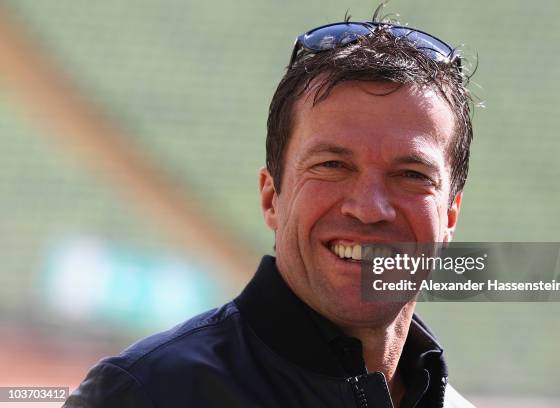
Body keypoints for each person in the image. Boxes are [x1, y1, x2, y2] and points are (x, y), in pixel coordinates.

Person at [64, 12, 476, 408]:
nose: (369, 208)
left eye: (411, 174)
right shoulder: (142, 395)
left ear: (450, 217)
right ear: (271, 197)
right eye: (332, 166)